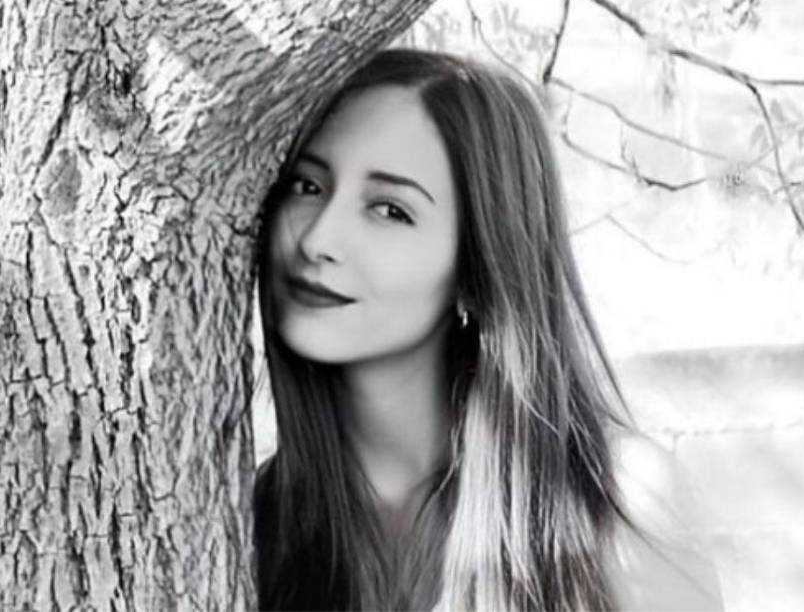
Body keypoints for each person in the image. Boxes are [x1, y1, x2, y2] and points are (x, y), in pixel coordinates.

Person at [253, 48, 724, 611]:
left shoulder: (622, 502)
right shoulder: (254, 522)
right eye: (308, 186)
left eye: (391, 209)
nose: (317, 240)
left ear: (478, 269)